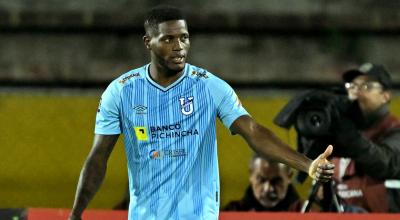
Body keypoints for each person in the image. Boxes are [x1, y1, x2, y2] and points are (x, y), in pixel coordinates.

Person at [68, 5, 334, 220]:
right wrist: (76, 214)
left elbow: (252, 131)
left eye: (183, 37)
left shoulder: (209, 86)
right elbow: (98, 158)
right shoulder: (121, 92)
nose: (178, 46)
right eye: (168, 39)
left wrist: (307, 164)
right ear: (148, 42)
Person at [328, 63, 400, 212]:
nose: (357, 92)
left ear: (385, 96)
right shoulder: (340, 132)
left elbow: (385, 164)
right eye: (352, 86)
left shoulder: (395, 131)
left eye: (366, 86)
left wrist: (349, 136)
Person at [224, 154, 303, 212]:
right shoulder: (232, 211)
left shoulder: (306, 212)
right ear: (251, 175)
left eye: (276, 181)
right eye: (261, 180)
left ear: (289, 177)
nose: (268, 189)